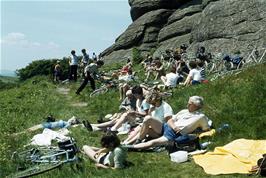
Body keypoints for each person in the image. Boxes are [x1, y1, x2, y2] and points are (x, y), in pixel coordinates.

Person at [126, 96, 210, 150]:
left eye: (189, 103)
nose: (187, 104)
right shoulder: (184, 111)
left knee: (153, 143)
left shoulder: (201, 117)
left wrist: (193, 131)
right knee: (148, 119)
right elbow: (170, 120)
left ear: (195, 106)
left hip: (173, 134)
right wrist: (174, 127)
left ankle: (130, 147)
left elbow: (206, 130)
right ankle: (136, 141)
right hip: (167, 126)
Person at [13, 116, 83, 136]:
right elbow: (72, 117)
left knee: (32, 130)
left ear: (74, 122)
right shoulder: (67, 122)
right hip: (48, 124)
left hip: (48, 126)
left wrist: (73, 124)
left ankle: (17, 134)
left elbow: (64, 128)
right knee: (32, 128)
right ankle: (18, 134)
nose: (72, 119)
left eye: (74, 120)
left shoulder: (68, 124)